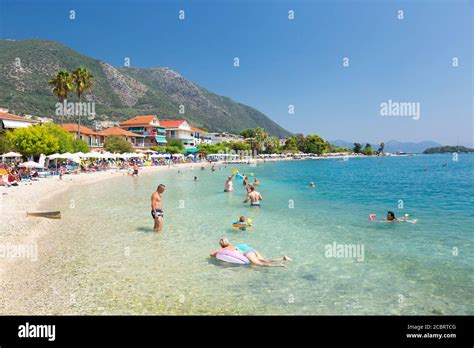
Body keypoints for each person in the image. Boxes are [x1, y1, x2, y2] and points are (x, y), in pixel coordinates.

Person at [210, 238, 291, 268]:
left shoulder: (223, 250)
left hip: (247, 253)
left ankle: (279, 265)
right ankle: (283, 258)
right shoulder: (231, 246)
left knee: (259, 264)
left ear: (221, 245)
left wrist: (214, 255)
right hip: (250, 251)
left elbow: (212, 254)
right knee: (263, 260)